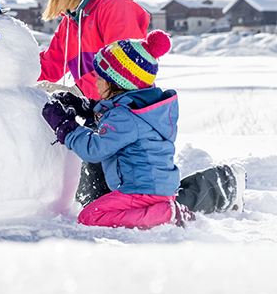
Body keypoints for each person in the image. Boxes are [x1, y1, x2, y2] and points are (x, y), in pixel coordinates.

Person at [37, 0, 245, 214]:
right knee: (94, 204)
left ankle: (221, 185)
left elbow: (127, 79)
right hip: (101, 119)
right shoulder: (71, 22)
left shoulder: (114, 10)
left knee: (134, 206)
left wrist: (77, 95)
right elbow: (47, 68)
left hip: (129, 125)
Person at [42, 30, 192, 228]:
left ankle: (165, 215)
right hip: (156, 187)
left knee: (91, 216)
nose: (95, 83)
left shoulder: (125, 117)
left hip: (140, 190)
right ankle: (162, 211)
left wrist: (65, 126)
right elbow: (115, 120)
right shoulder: (141, 109)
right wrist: (84, 107)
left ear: (117, 82)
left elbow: (94, 150)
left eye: (99, 78)